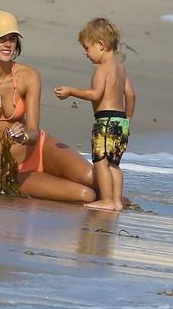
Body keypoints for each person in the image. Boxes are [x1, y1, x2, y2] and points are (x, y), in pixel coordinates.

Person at [0, 10, 97, 203]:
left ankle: (119, 203)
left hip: (41, 148)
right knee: (86, 195)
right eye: (1, 38)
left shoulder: (29, 76)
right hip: (11, 171)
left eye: (12, 39)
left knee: (93, 179)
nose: (8, 44)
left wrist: (25, 136)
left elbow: (34, 132)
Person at [54, 18, 136, 211]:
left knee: (100, 162)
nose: (86, 53)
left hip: (104, 121)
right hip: (120, 120)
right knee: (114, 164)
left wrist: (71, 91)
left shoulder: (102, 70)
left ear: (101, 45)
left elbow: (95, 94)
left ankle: (107, 200)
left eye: (87, 47)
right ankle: (116, 201)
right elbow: (131, 95)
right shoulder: (121, 69)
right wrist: (128, 119)